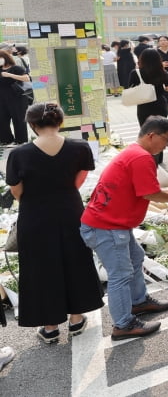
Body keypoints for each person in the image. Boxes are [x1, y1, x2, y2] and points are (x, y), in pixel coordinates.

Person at [80, 117, 168, 340]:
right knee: (120, 274)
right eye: (166, 140)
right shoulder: (141, 157)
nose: (167, 145)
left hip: (110, 223)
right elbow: (149, 192)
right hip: (107, 226)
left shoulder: (133, 152)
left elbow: (145, 189)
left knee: (135, 257)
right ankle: (123, 324)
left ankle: (138, 302)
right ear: (151, 135)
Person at [5, 102, 104, 343]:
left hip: (35, 215)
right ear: (60, 121)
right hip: (70, 210)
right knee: (76, 261)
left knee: (40, 269)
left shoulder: (19, 154)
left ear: (32, 125)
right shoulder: (80, 148)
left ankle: (49, 327)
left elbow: (16, 191)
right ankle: (76, 319)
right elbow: (77, 181)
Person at [0, 50, 31, 144]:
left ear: (4, 58)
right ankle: (6, 140)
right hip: (2, 98)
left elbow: (26, 78)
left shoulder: (16, 68)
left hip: (17, 97)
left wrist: (9, 75)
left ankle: (21, 141)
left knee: (18, 119)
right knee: (2, 119)